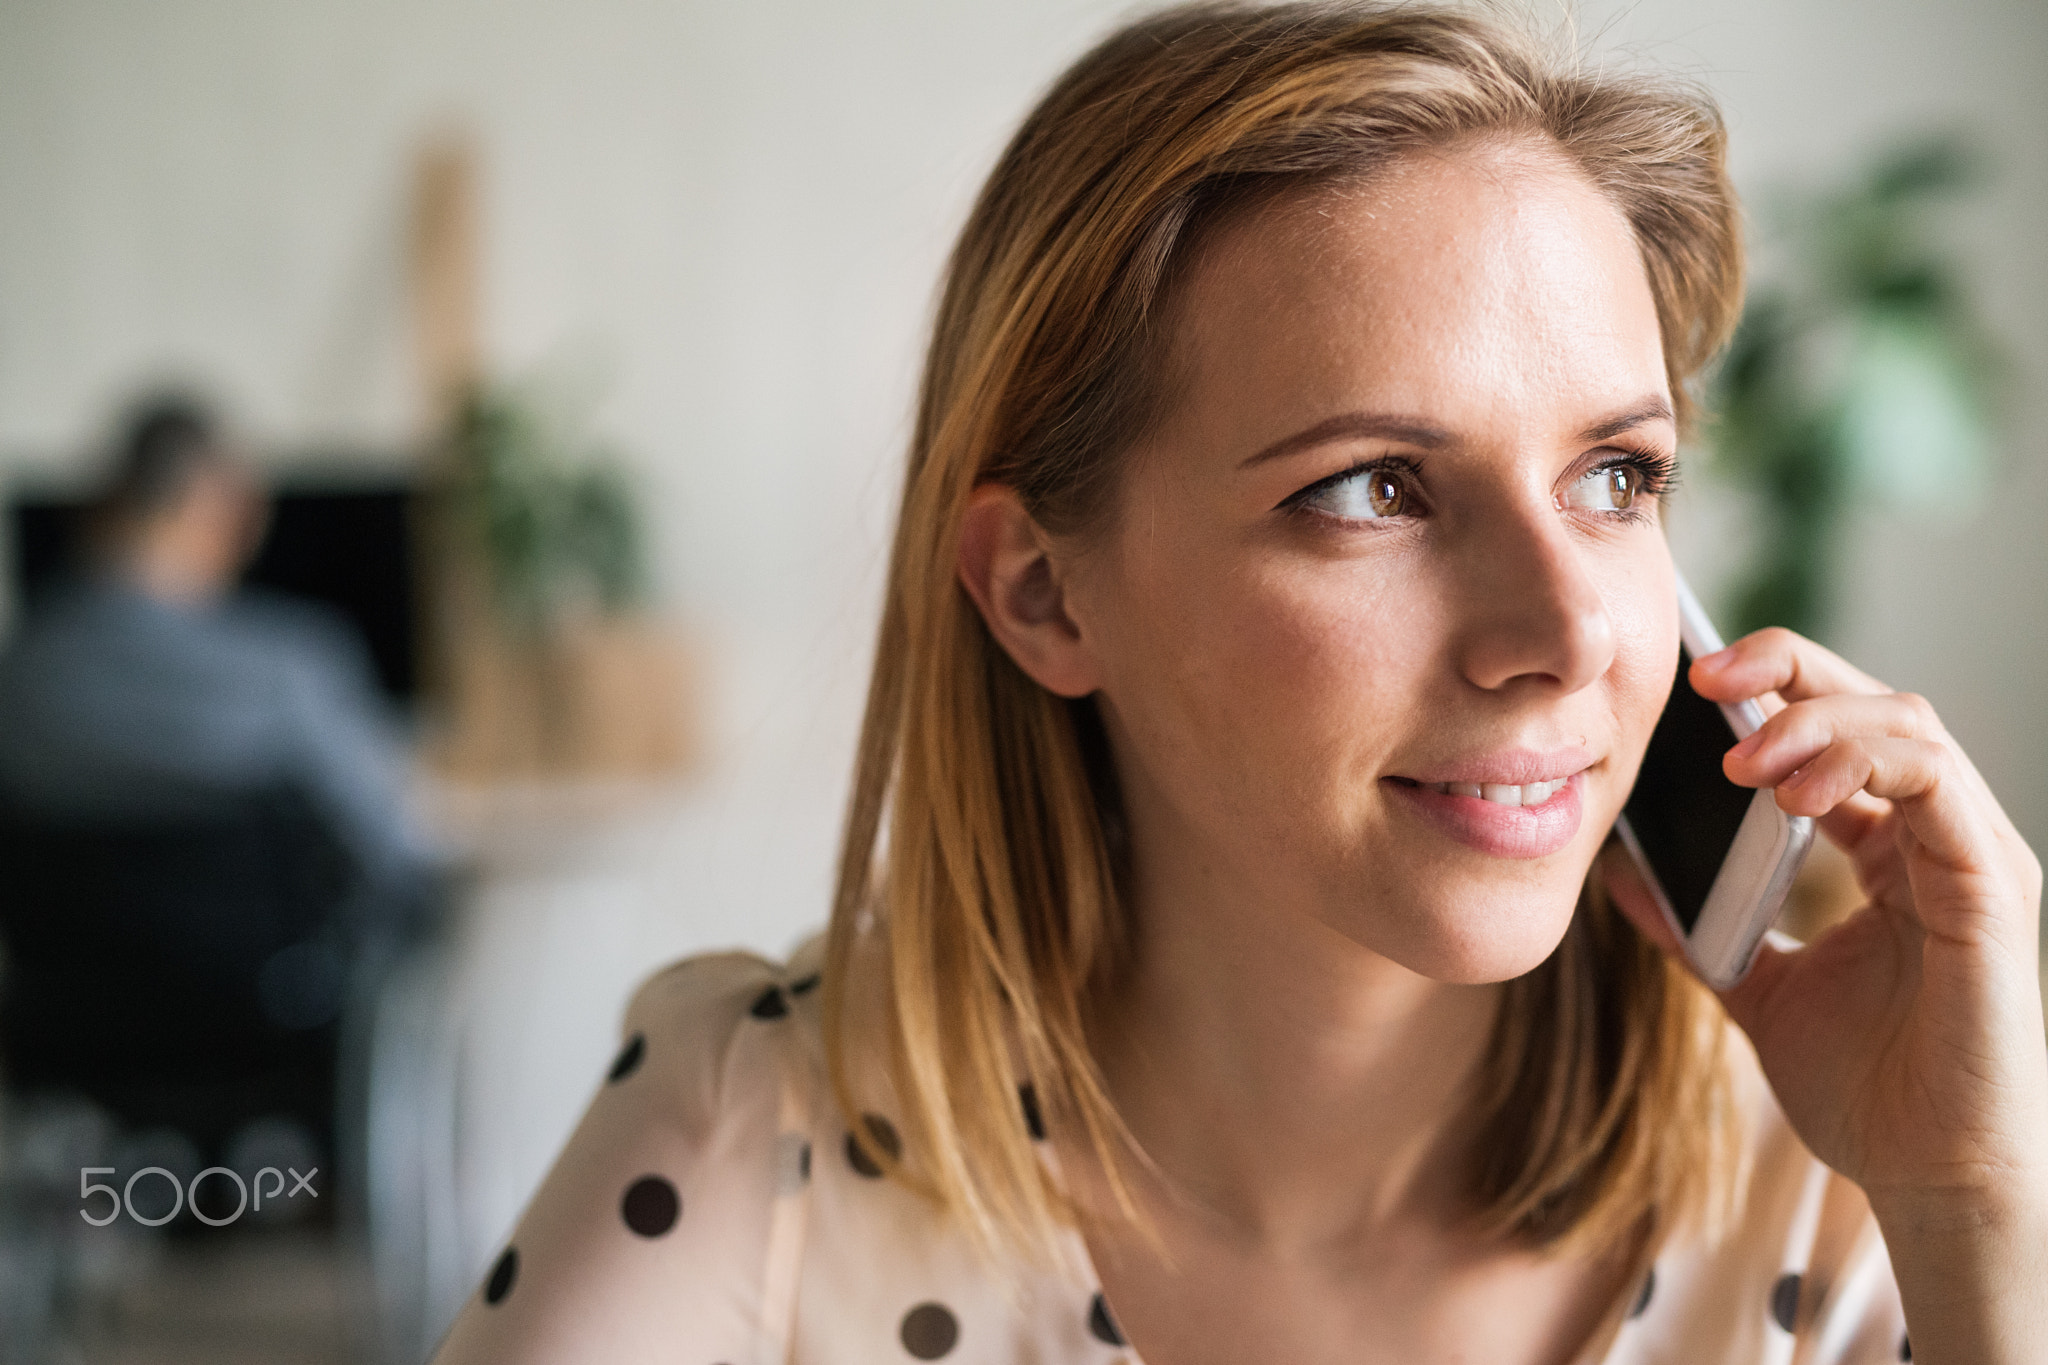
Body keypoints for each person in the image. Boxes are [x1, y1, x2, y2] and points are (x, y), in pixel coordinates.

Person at [430, 6, 2046, 1363]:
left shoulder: (1851, 1171)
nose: (1561, 632)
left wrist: (1972, 1219)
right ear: (1041, 592)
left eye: (1615, 475)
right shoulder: (751, 1144)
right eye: (1370, 490)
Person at [0, 395, 437, 905]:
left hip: (61, 980)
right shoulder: (289, 669)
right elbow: (392, 852)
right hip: (280, 979)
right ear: (221, 508)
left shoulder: (17, 675)